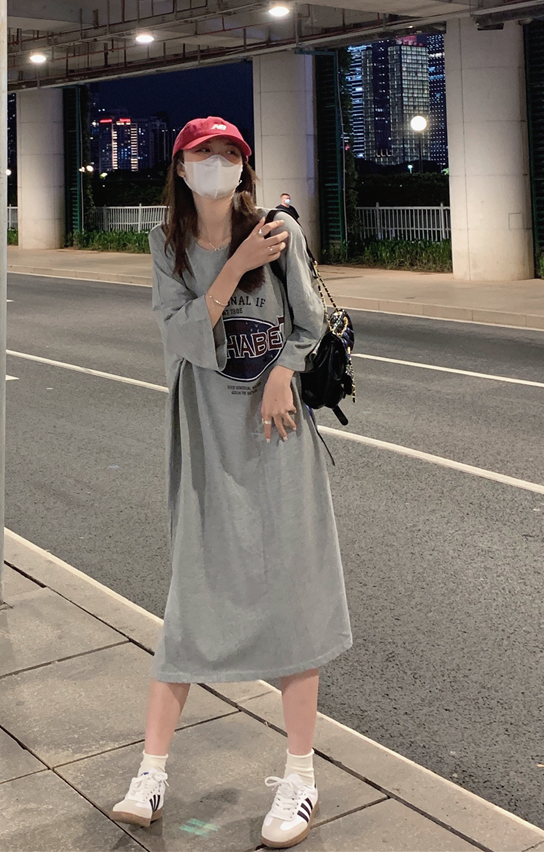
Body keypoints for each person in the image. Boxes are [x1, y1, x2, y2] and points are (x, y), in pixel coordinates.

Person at [111, 115, 352, 849]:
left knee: (293, 597)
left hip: (277, 435)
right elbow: (183, 335)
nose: (215, 164)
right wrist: (235, 264)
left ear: (243, 167)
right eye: (202, 154)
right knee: (192, 595)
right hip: (206, 437)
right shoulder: (166, 244)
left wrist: (283, 371)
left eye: (227, 154)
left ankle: (301, 777)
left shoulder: (279, 231)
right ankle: (151, 772)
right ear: (180, 167)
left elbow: (313, 324)